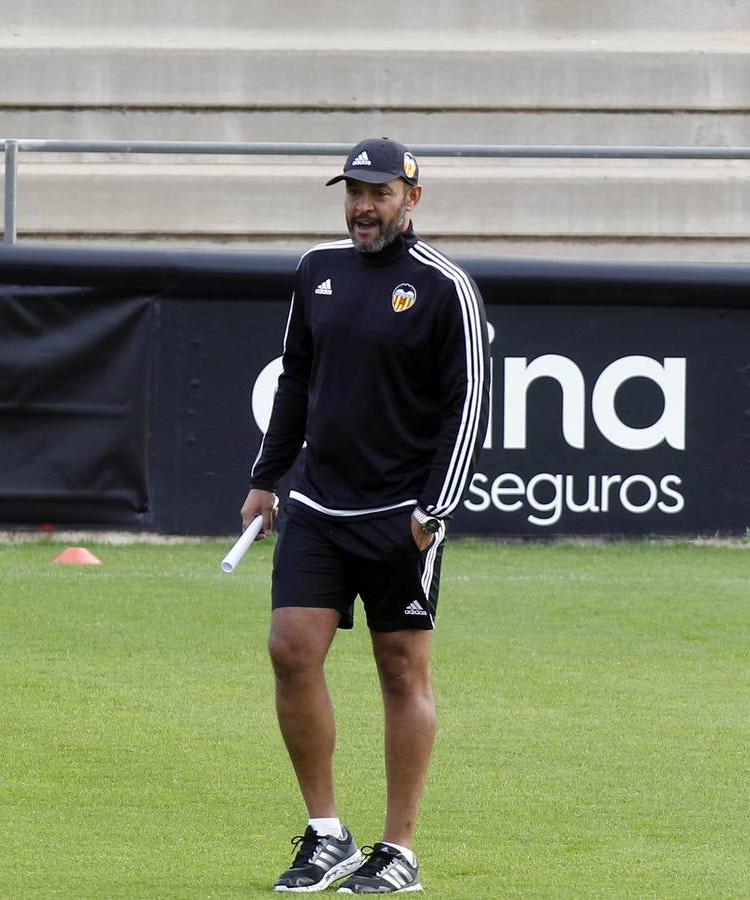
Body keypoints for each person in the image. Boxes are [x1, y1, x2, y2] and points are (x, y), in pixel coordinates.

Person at [240, 137, 489, 894]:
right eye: (353, 191)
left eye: (379, 193)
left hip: (400, 514)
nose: (362, 206)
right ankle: (325, 835)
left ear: (412, 199)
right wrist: (267, 475)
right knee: (291, 650)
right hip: (317, 501)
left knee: (399, 669)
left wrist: (432, 513)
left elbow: (468, 407)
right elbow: (295, 379)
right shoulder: (316, 271)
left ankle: (399, 850)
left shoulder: (446, 287)